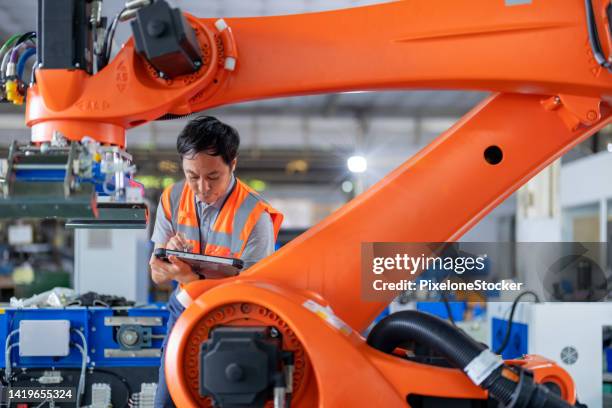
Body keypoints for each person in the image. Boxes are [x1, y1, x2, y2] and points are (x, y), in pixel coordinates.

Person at [149, 116, 283, 407]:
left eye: (212, 177)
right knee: (167, 401)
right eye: (192, 176)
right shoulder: (172, 198)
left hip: (235, 320)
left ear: (232, 164)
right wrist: (170, 257)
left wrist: (189, 279)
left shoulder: (254, 216)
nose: (201, 188)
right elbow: (157, 275)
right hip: (182, 309)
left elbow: (254, 294)